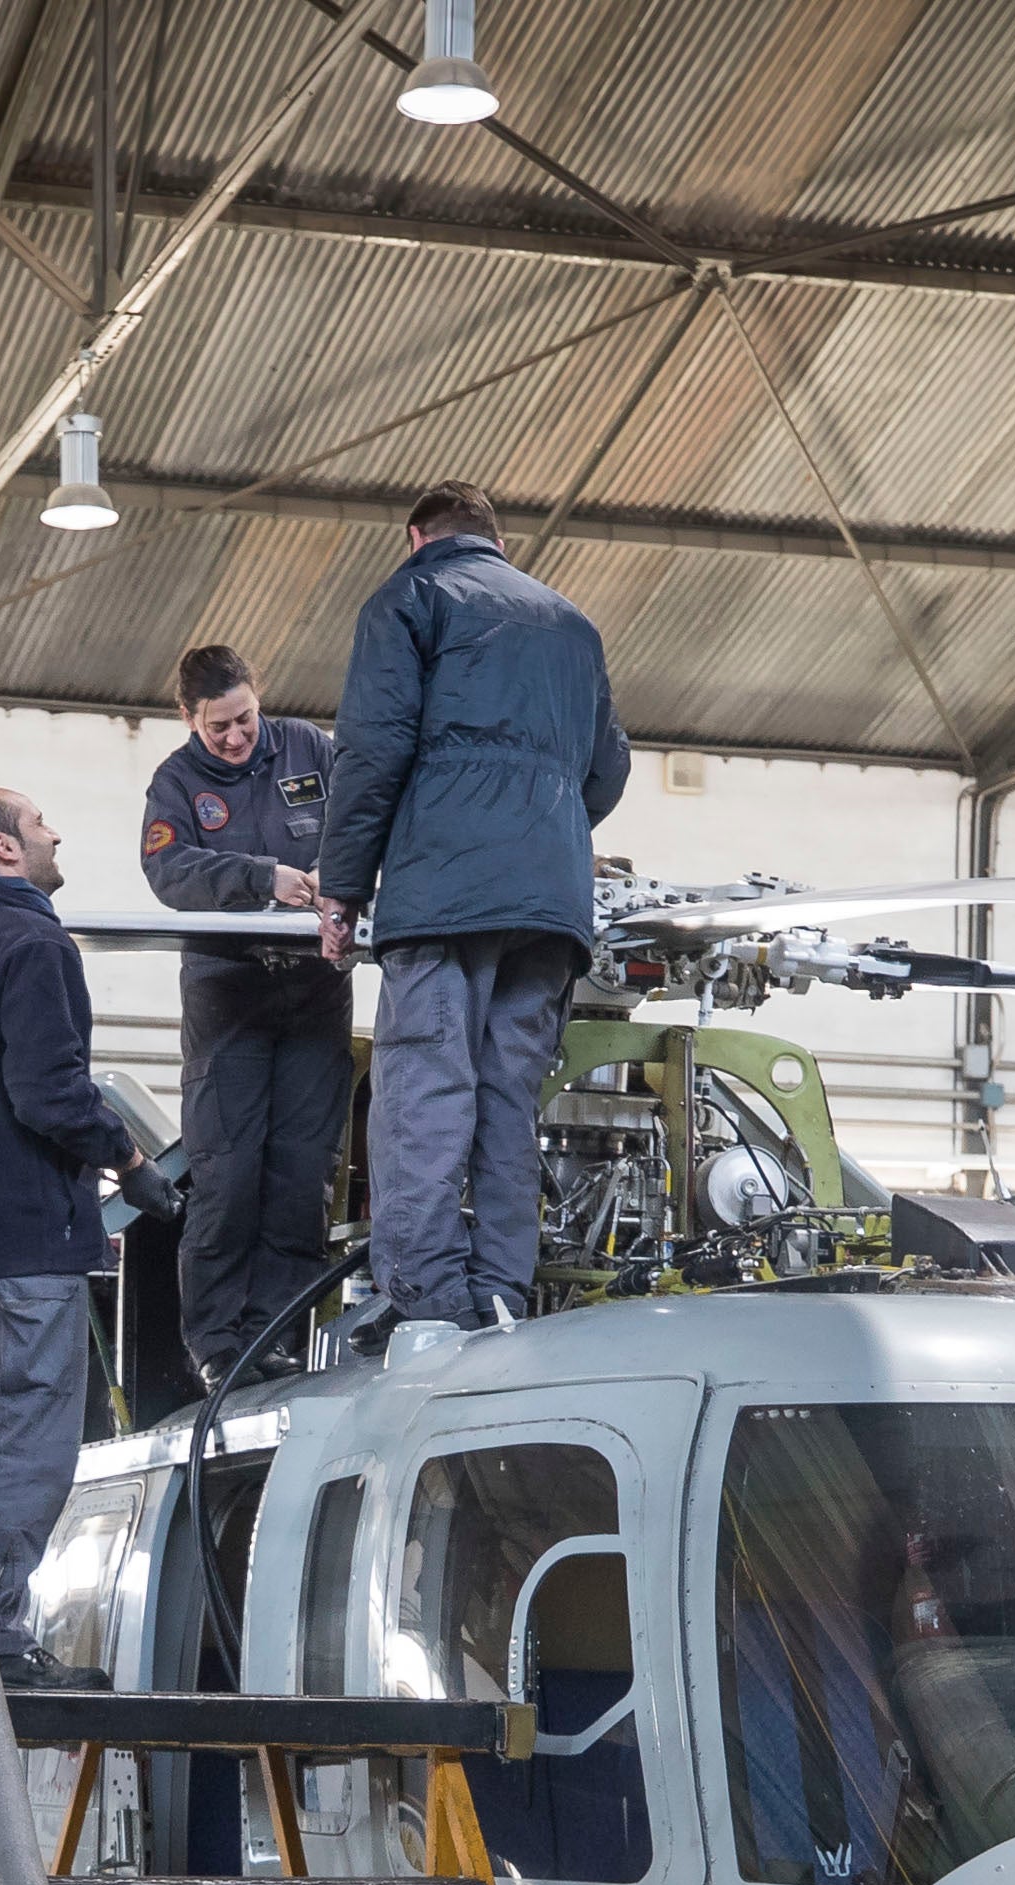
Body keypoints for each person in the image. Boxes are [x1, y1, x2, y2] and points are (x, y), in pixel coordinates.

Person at [312, 480, 630, 1330]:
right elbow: (607, 771)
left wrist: (341, 888)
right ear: (495, 540)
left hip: (442, 897)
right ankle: (499, 1296)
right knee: (505, 1106)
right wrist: (539, 833)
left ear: (416, 537)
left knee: (425, 1092)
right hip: (548, 906)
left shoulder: (411, 596)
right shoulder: (571, 622)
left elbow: (372, 755)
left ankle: (423, 1306)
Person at [0, 785, 177, 1687]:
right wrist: (129, 1158)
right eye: (37, 822)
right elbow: (50, 1094)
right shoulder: (31, 942)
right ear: (5, 851)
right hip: (26, 1242)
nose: (55, 829)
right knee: (26, 1445)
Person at [137, 646, 348, 1384]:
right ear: (188, 718)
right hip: (229, 994)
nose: (236, 737)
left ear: (261, 699)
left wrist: (344, 880)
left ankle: (279, 1337)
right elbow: (168, 872)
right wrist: (264, 880)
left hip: (315, 992)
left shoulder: (308, 749)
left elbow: (362, 819)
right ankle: (217, 1346)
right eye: (219, 725)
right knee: (227, 1176)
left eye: (245, 717)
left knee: (299, 1174)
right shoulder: (176, 782)